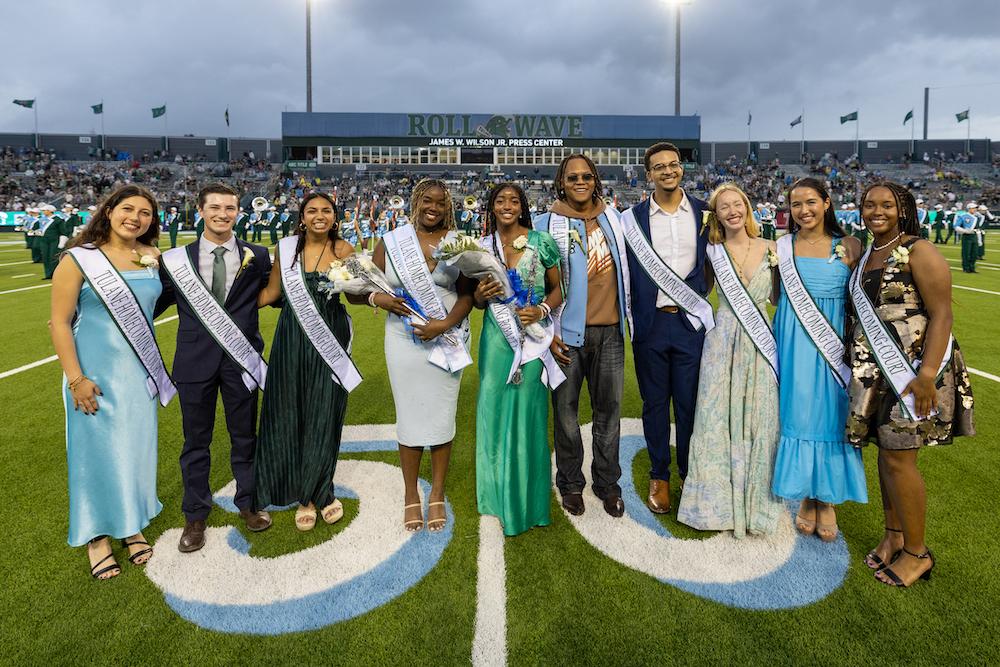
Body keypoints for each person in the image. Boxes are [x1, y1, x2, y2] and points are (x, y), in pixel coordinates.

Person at [846, 181, 975, 587]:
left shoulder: (919, 249)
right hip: (875, 370)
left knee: (901, 459)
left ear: (903, 209)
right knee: (886, 456)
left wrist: (925, 375)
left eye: (886, 205)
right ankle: (893, 536)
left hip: (913, 370)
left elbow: (942, 316)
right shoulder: (869, 253)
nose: (876, 211)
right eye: (869, 205)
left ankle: (918, 554)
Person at [50, 185, 171, 579]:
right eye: (128, 209)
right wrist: (76, 379)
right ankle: (97, 537)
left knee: (134, 449)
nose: (135, 218)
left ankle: (130, 523)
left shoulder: (150, 258)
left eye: (146, 213)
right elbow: (60, 324)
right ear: (109, 211)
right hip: (93, 375)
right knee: (94, 455)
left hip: (138, 374)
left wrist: (159, 259)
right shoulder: (78, 259)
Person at [156, 183, 273, 552]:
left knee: (245, 437)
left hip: (241, 360)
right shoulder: (175, 260)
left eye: (230, 208)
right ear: (201, 210)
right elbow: (151, 304)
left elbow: (278, 296)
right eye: (216, 207)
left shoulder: (258, 255)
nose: (223, 214)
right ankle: (195, 514)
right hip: (193, 362)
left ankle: (249, 503)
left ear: (238, 212)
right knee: (196, 442)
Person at [677, 183, 783, 537]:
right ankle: (713, 506)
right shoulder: (712, 252)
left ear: (747, 207)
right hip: (722, 340)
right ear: (716, 215)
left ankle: (757, 506)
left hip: (760, 343)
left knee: (759, 417)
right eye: (724, 207)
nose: (733, 210)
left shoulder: (773, 248)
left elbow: (780, 299)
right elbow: (698, 292)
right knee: (713, 416)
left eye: (738, 204)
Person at [253, 192, 360, 529]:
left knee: (324, 411)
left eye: (326, 210)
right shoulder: (285, 249)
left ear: (334, 217)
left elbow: (357, 293)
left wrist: (373, 289)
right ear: (302, 216)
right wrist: (229, 304)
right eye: (312, 210)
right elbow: (271, 293)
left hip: (330, 336)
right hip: (291, 339)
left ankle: (321, 492)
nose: (319, 215)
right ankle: (302, 494)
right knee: (289, 408)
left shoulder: (344, 250)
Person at [372, 179, 474, 532]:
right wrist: (377, 299)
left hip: (447, 338)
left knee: (443, 416)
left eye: (441, 202)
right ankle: (410, 493)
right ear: (416, 202)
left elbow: (467, 295)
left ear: (449, 207)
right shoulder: (392, 241)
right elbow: (368, 289)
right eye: (427, 200)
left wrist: (443, 324)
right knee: (410, 415)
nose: (434, 207)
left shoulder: (458, 244)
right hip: (402, 340)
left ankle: (438, 493)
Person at [534, 154, 632, 517]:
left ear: (596, 180)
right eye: (572, 176)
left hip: (610, 333)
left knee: (609, 412)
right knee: (565, 413)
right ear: (561, 181)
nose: (580, 181)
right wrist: (546, 333)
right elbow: (535, 286)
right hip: (564, 336)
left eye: (587, 176)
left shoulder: (615, 220)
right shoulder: (545, 223)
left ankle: (607, 482)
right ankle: (571, 482)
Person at [772, 177, 867, 541]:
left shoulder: (850, 245)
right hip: (793, 338)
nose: (803, 210)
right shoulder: (783, 246)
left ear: (827, 203)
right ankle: (805, 497)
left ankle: (825, 500)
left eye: (810, 202)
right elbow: (777, 296)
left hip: (833, 345)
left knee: (830, 414)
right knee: (798, 413)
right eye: (796, 205)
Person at [621, 142, 711, 514]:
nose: (668, 171)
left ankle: (690, 473)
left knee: (690, 405)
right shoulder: (632, 218)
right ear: (649, 174)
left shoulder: (707, 213)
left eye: (673, 165)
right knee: (655, 404)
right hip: (651, 324)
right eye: (659, 167)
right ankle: (660, 473)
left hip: (690, 324)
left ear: (682, 169)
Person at [473, 183, 563, 536]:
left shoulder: (542, 242)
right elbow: (476, 301)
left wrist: (541, 308)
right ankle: (494, 495)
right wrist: (480, 294)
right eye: (500, 201)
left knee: (528, 414)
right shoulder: (481, 247)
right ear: (492, 207)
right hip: (496, 340)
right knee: (492, 411)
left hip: (533, 342)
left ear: (523, 207)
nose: (507, 205)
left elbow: (559, 289)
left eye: (514, 200)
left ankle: (528, 498)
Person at [954, 204, 979, 272]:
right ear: (969, 209)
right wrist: (965, 231)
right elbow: (956, 226)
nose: (975, 209)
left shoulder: (976, 217)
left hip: (974, 235)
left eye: (975, 208)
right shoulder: (963, 216)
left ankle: (972, 267)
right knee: (966, 253)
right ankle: (966, 268)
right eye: (973, 208)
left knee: (974, 253)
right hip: (966, 236)